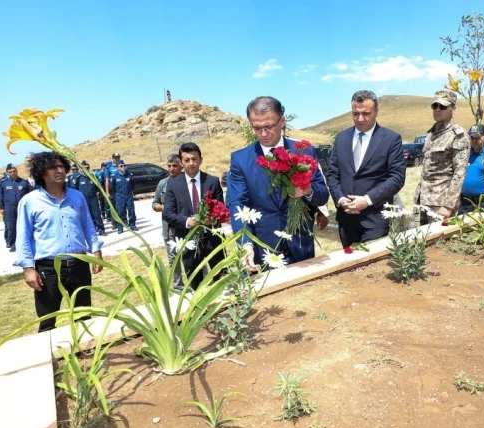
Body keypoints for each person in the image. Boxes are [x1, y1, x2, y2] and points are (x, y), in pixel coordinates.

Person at [227, 96, 329, 268]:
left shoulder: (304, 151)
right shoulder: (240, 160)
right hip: (262, 249)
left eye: (268, 126)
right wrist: (246, 243)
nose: (263, 134)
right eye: (257, 128)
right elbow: (238, 204)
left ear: (282, 121)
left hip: (300, 245)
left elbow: (322, 195)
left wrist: (308, 190)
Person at [14, 151, 103, 332]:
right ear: (42, 173)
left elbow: (87, 225)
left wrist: (96, 250)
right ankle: (51, 358)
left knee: (84, 315)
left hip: (79, 264)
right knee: (48, 318)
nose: (59, 170)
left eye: (61, 166)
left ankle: (87, 354)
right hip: (48, 269)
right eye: (53, 167)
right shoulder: (29, 202)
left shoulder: (77, 197)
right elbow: (23, 236)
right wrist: (28, 268)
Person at [326, 90, 405, 247]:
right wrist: (340, 199)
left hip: (374, 219)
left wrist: (367, 200)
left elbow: (397, 178)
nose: (360, 118)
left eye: (366, 113)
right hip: (346, 219)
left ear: (376, 111)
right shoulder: (341, 138)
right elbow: (332, 173)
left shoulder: (391, 139)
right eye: (355, 113)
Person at [164, 142, 227, 289]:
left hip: (213, 239)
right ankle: (203, 310)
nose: (191, 163)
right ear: (181, 162)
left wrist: (211, 218)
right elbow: (168, 213)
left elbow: (221, 208)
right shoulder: (173, 185)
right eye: (187, 160)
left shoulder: (212, 181)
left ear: (201, 159)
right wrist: (187, 221)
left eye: (194, 159)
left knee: (223, 276)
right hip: (188, 239)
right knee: (196, 282)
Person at [413, 90, 470, 221]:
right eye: (435, 106)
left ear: (453, 108)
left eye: (443, 106)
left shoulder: (458, 135)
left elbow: (459, 173)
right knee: (418, 239)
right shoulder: (431, 135)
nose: (437, 109)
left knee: (438, 240)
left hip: (441, 204)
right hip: (422, 199)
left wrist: (448, 206)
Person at [152, 154, 184, 289]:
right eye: (169, 166)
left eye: (175, 166)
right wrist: (166, 208)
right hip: (170, 227)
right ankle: (178, 286)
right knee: (173, 258)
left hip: (186, 225)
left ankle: (199, 281)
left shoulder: (186, 181)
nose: (171, 169)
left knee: (192, 256)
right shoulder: (163, 183)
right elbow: (154, 204)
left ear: (181, 166)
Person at [0, 163, 32, 251]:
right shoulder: (3, 183)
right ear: (7, 173)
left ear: (16, 171)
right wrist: (1, 207)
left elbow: (30, 195)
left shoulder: (23, 182)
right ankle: (12, 244)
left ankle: (24, 243)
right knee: (11, 226)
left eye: (13, 171)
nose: (12, 173)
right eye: (10, 172)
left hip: (22, 208)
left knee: (23, 225)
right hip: (9, 208)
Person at [71, 161, 105, 236]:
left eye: (88, 168)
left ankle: (101, 229)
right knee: (87, 215)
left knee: (97, 213)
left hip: (93, 198)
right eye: (84, 168)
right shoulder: (78, 178)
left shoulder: (93, 177)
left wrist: (98, 192)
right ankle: (92, 230)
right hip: (83, 199)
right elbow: (74, 189)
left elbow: (98, 186)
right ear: (81, 169)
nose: (86, 169)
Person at [110, 160, 137, 233]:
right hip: (119, 196)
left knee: (131, 210)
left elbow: (133, 185)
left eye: (124, 166)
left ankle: (132, 225)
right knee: (120, 212)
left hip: (128, 195)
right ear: (118, 167)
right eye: (121, 166)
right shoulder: (115, 176)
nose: (123, 167)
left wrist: (131, 192)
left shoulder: (129, 175)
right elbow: (112, 187)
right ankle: (120, 227)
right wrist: (115, 195)